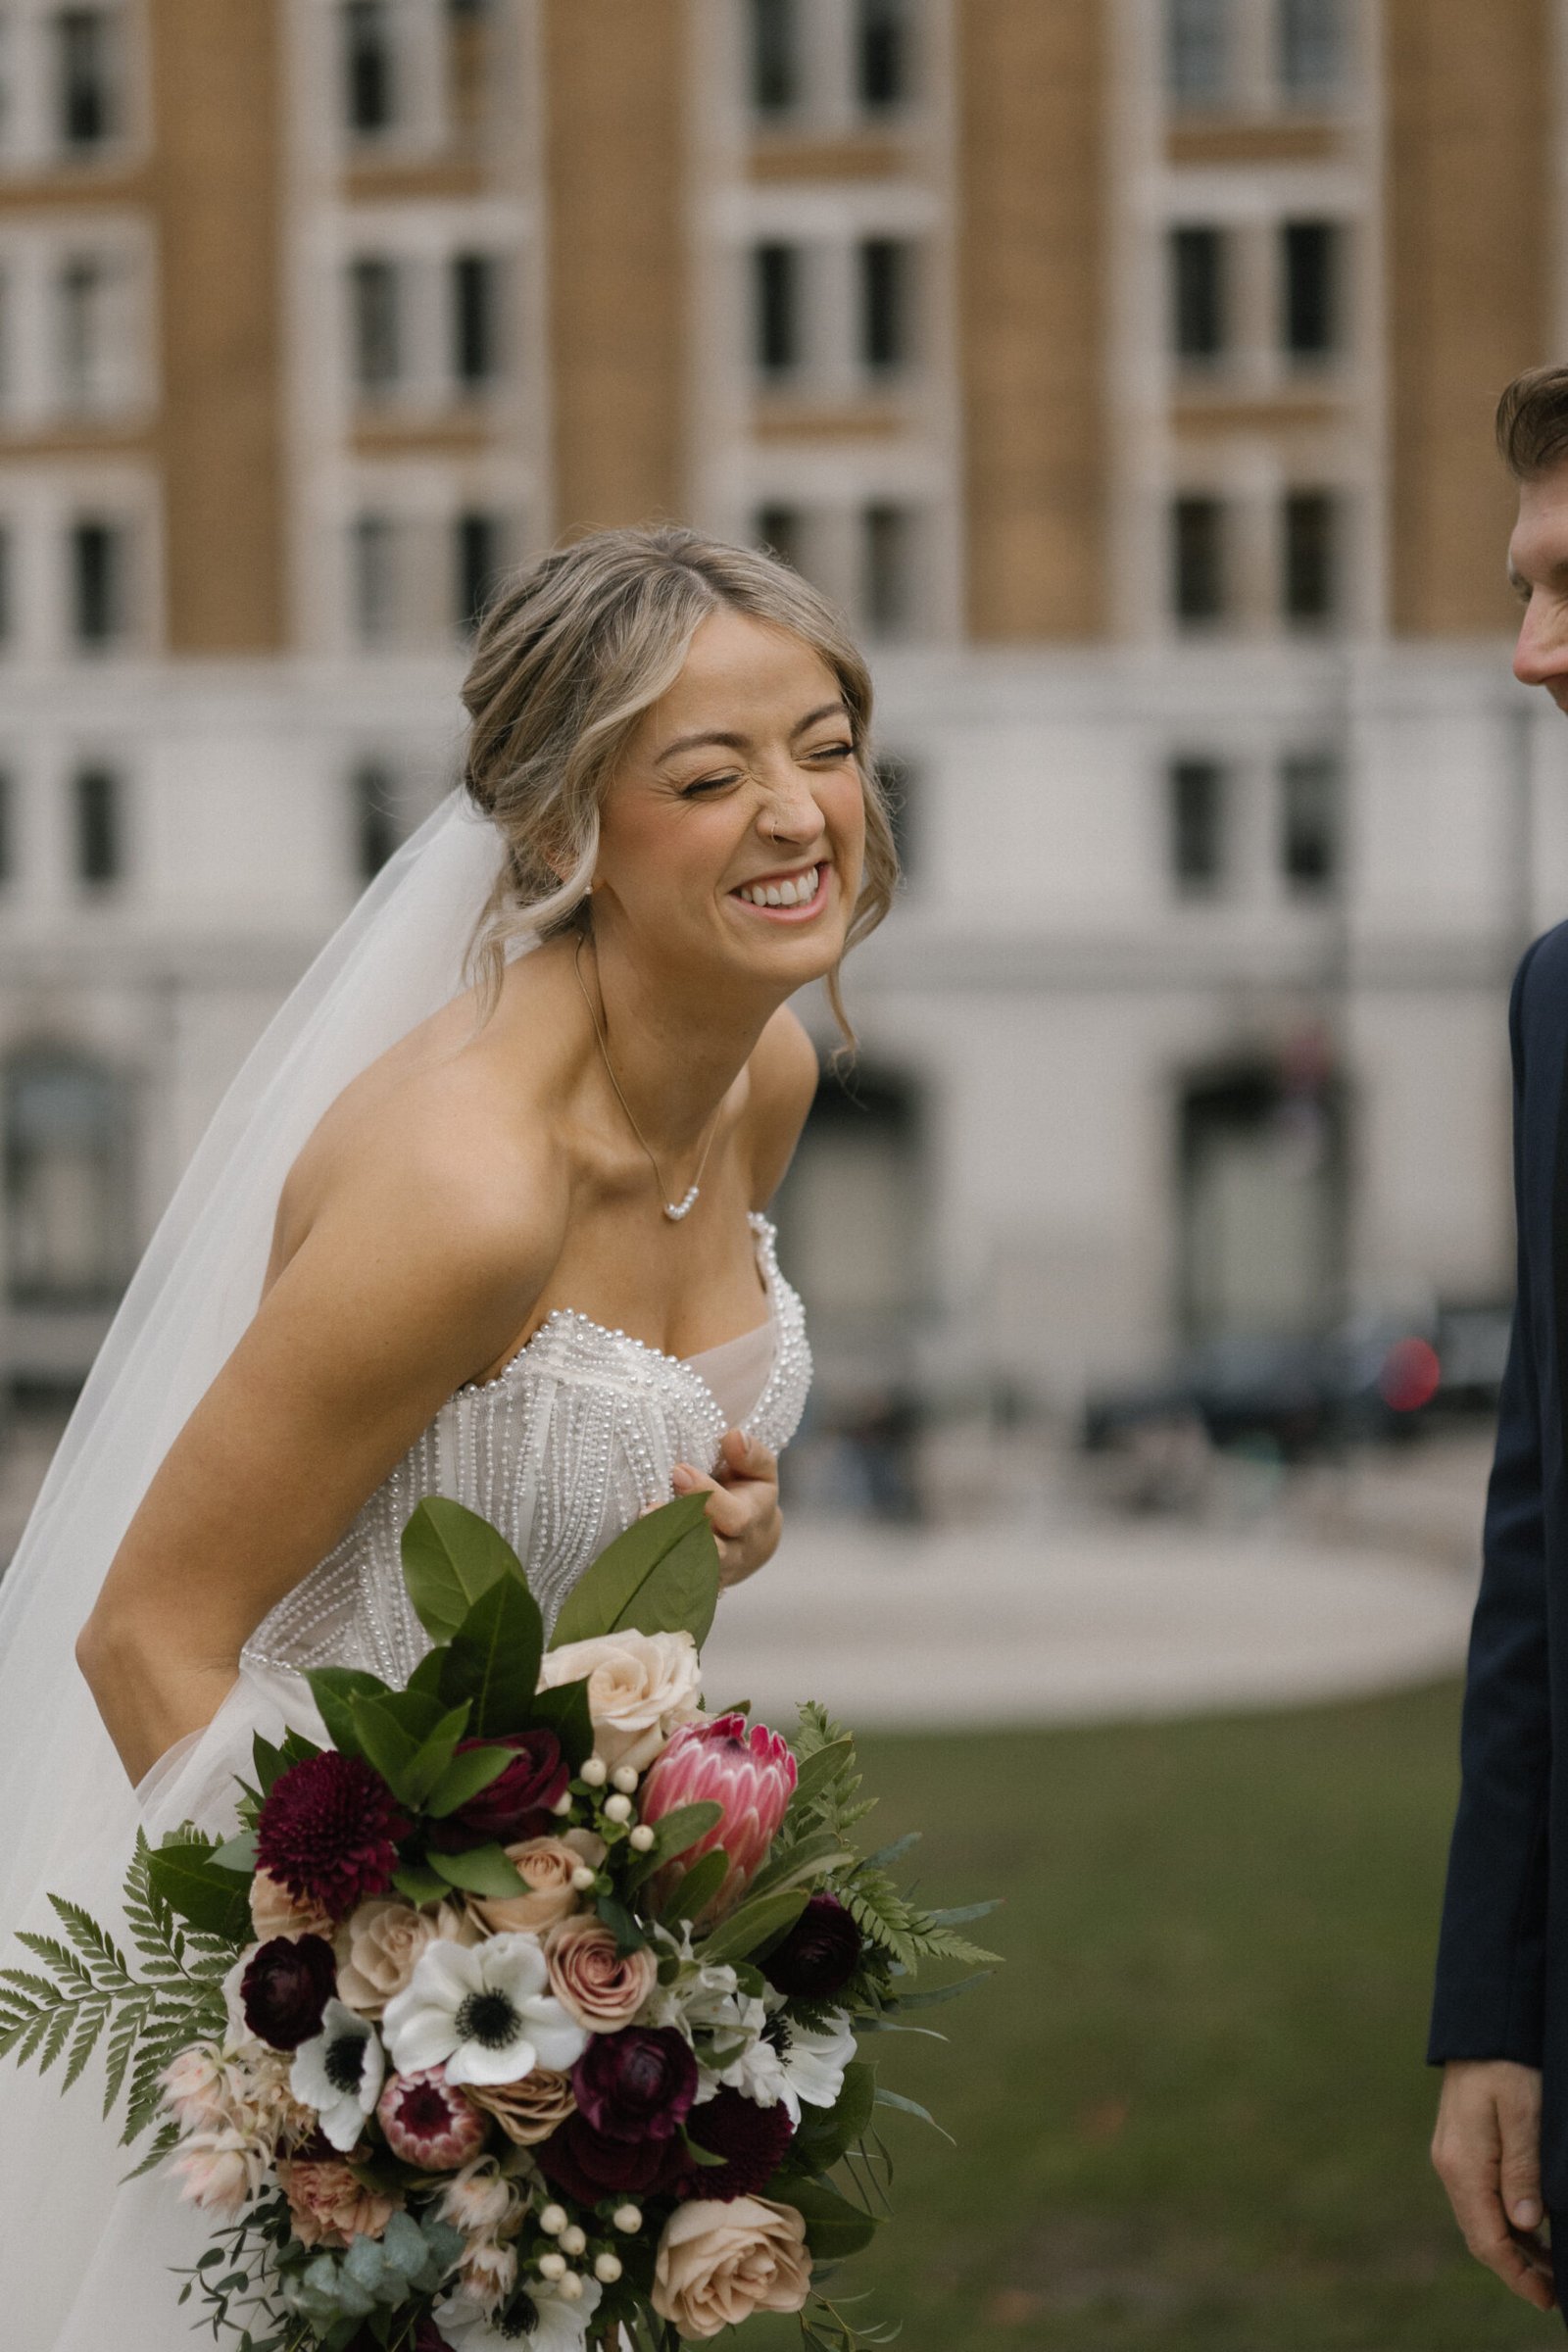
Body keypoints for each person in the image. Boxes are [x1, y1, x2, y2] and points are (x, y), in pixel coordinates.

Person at [0, 523, 898, 2345]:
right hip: (336, 2009)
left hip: (572, 1966)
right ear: (566, 828)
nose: (801, 813)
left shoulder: (766, 1070)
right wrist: (381, 2037)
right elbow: (147, 1631)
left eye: (827, 743)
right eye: (712, 775)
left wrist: (726, 1515)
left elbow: (600, 1465)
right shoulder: (465, 1187)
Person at [1430, 366, 1568, 2324]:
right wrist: (1492, 2004)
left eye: (1565, 586)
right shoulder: (1555, 999)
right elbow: (1535, 1526)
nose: (1526, 652)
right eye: (1521, 586)